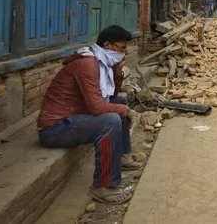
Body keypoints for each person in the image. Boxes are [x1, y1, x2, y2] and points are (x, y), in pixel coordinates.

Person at [37, 25, 141, 205]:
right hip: (54, 128)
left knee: (119, 103)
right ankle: (103, 187)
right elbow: (96, 107)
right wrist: (126, 112)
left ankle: (122, 156)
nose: (123, 53)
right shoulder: (88, 63)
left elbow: (112, 97)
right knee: (111, 120)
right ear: (108, 45)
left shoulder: (102, 62)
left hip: (74, 117)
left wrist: (117, 76)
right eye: (121, 48)